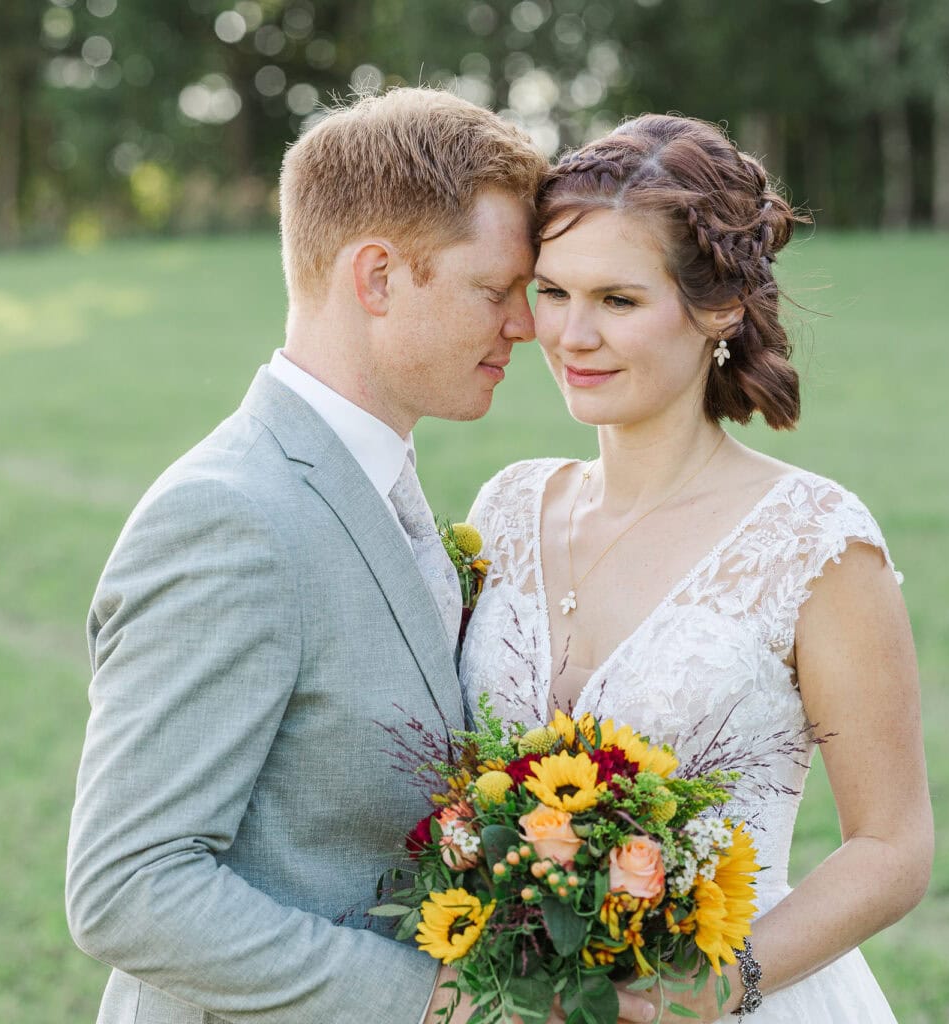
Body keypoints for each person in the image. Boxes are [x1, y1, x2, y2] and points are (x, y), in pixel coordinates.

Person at [65, 88, 658, 1024]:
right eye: (495, 290)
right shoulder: (229, 518)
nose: (526, 325)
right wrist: (439, 1000)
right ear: (377, 277)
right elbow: (129, 888)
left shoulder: (384, 482)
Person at [461, 115, 933, 1022]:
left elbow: (893, 844)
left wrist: (717, 985)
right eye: (552, 292)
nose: (571, 335)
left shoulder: (813, 541)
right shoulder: (507, 509)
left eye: (619, 301)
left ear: (719, 307)